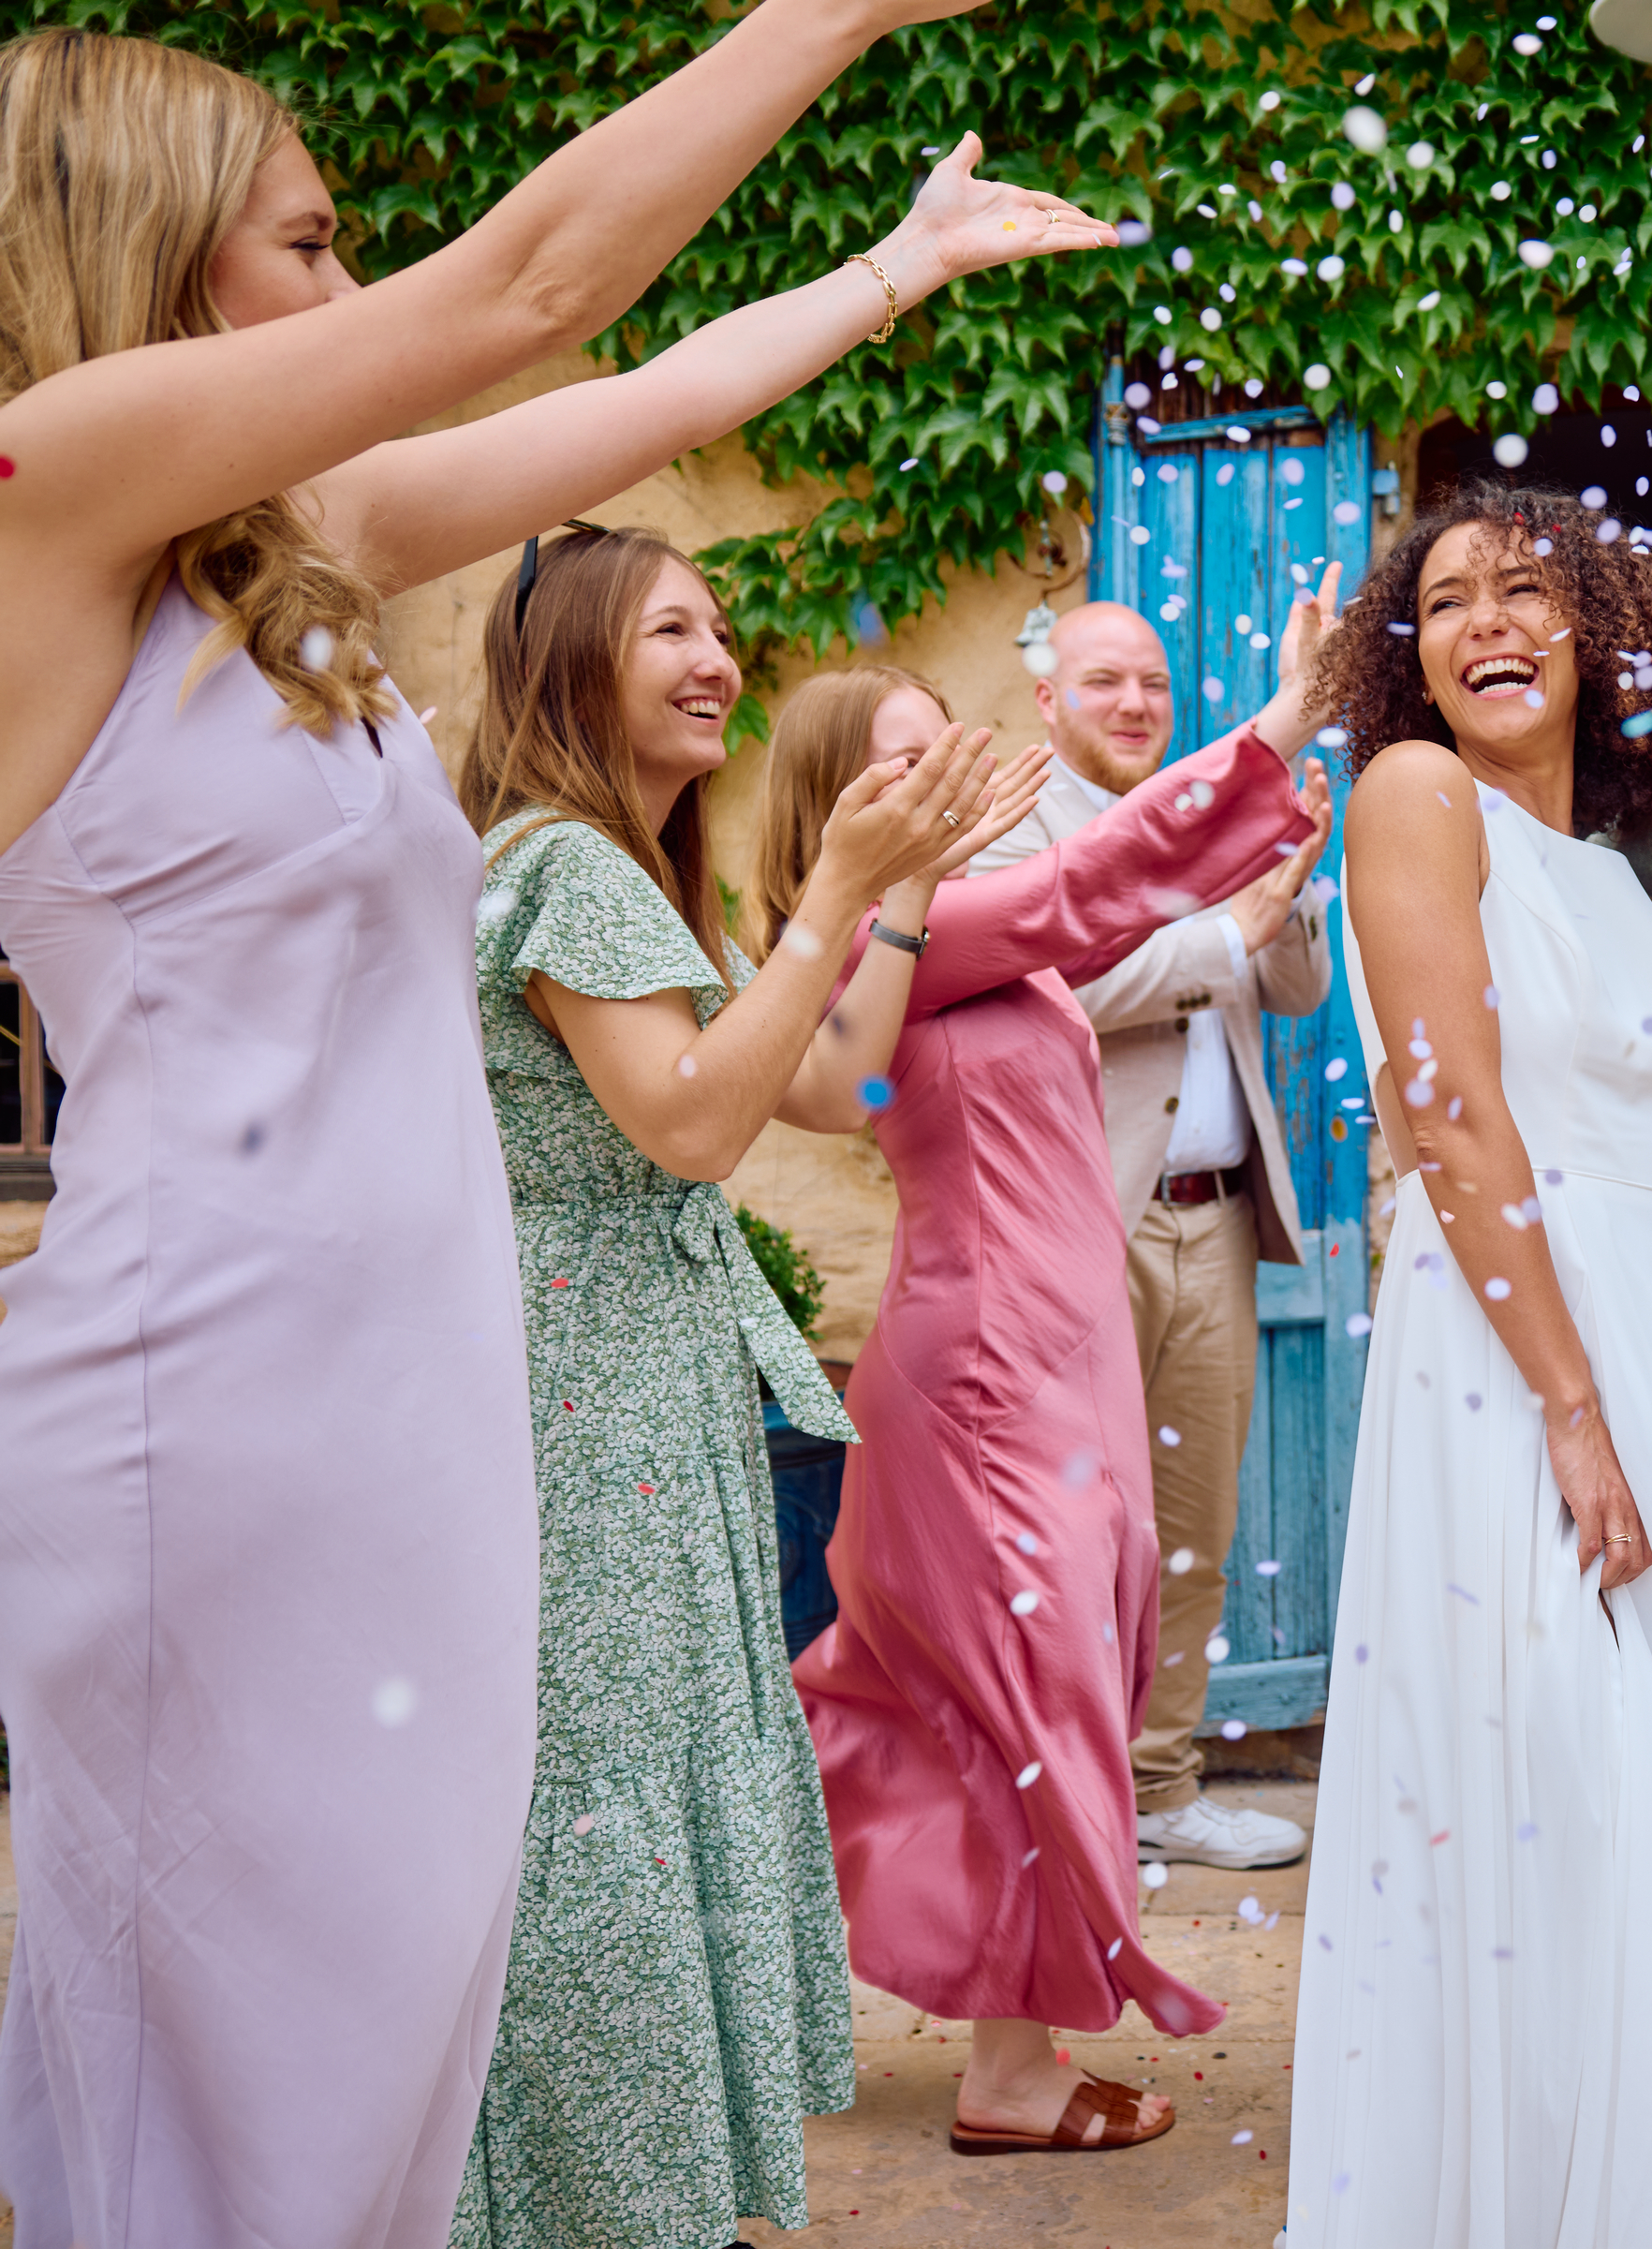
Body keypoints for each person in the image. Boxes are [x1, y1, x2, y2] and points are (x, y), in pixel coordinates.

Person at [0, 14, 1096, 2238]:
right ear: (145, 251)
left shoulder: (275, 573)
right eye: (306, 245)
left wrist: (895, 273)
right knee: (236, 2074)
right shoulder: (44, 484)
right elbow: (520, 296)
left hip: (408, 1405)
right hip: (197, 1403)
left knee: (406, 2025)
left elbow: (646, 397)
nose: (350, 297)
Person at [1284, 484, 1652, 2244]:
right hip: (1513, 1359)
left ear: (1597, 634)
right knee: (1562, 1782)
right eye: (1446, 603)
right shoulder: (1411, 798)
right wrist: (1570, 1406)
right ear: (1416, 667)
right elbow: (1452, 1120)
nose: (1486, 620)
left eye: (1527, 587)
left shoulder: (1611, 878)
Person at [460, 527, 1047, 2242]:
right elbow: (699, 1123)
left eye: (721, 628)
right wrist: (823, 894)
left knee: (653, 1768)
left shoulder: (627, 874)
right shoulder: (564, 865)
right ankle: (596, 2195)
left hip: (645, 1387)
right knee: (607, 1796)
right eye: (671, 629)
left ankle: (643, 2188)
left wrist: (907, 883)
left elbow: (835, 1072)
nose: (719, 658)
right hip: (581, 1395)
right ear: (574, 655)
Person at [771, 661, 1312, 2155]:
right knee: (1036, 1703)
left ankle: (771, 1958)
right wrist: (1275, 731)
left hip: (1052, 1369)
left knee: (999, 1703)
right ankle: (1005, 2070)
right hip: (992, 1379)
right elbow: (1103, 878)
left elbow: (1103, 900)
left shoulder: (955, 930)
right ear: (837, 805)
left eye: (945, 745)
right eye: (901, 762)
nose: (946, 776)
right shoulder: (921, 928)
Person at [965, 588, 1339, 1876]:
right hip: (1089, 1222)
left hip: (1220, 1224)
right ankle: (1065, 1804)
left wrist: (1289, 888)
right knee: (1077, 1531)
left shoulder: (1209, 819)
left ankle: (1166, 1782)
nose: (1134, 703)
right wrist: (1219, 923)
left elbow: (1292, 988)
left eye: (1154, 685)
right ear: (1047, 699)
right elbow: (1062, 982)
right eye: (1106, 681)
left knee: (1194, 1524)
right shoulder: (1020, 832)